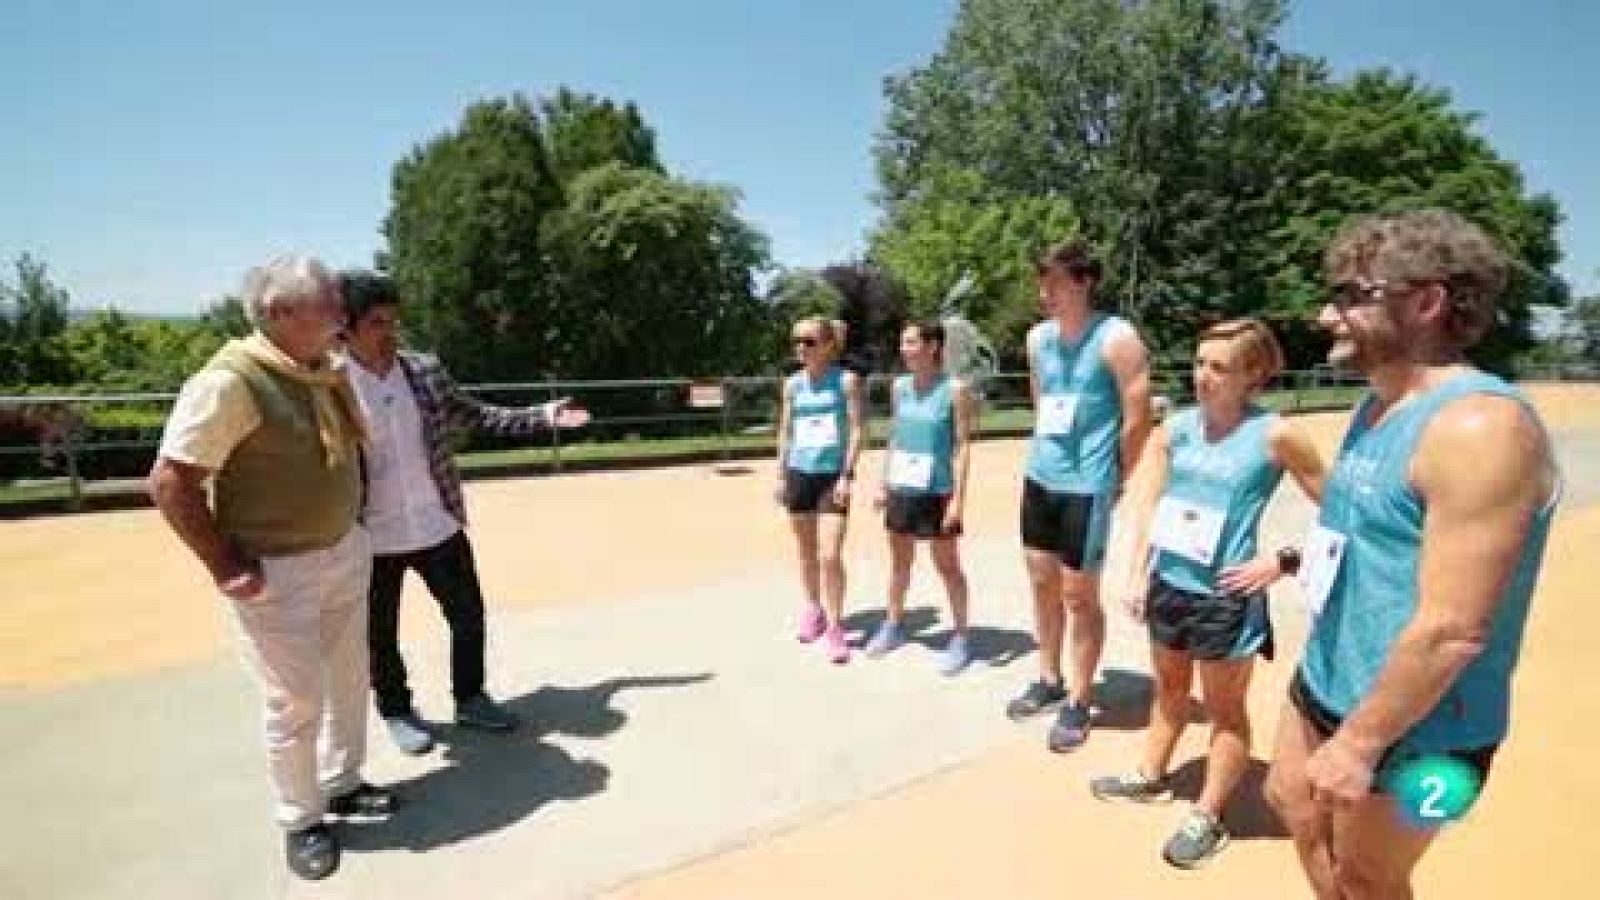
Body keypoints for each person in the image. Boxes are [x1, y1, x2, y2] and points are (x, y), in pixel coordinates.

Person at [1264, 209, 1559, 899]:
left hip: (1431, 733)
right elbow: (1363, 532)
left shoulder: (1480, 426)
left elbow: (1453, 630)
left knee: (1370, 876)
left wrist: (1360, 743)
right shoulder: (1377, 407)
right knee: (1292, 804)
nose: (1327, 315)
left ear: (1427, 302)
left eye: (1350, 295)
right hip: (1328, 682)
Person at [147, 256, 392, 881]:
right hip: (277, 571)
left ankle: (344, 783)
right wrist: (224, 565)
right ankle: (302, 819)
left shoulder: (323, 370)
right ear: (280, 314)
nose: (342, 311)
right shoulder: (231, 383)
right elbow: (171, 482)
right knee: (296, 700)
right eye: (328, 303)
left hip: (342, 552)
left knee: (349, 680)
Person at [1088, 318, 1326, 868]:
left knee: (1224, 710)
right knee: (1169, 690)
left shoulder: (1275, 436)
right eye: (1199, 363)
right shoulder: (1175, 430)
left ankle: (1208, 814)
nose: (1202, 376)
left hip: (1225, 597)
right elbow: (1148, 503)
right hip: (1170, 586)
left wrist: (1283, 561)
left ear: (1253, 375)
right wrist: (1138, 573)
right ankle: (1150, 775)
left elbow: (1344, 514)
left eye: (1218, 367)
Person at [337, 271, 590, 755]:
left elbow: (476, 414)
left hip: (437, 522)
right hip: (371, 536)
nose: (390, 332)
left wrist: (542, 415)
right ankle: (396, 709)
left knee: (468, 616)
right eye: (376, 323)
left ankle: (471, 698)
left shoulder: (423, 371)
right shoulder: (328, 384)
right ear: (345, 328)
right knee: (378, 633)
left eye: (394, 321)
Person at [1007, 239, 1154, 752]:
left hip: (1088, 484)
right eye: (1041, 283)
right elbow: (1041, 398)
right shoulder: (1037, 339)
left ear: (1085, 282)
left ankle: (1080, 696)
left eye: (1055, 283)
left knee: (1079, 596)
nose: (1044, 293)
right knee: (1041, 581)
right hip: (1041, 477)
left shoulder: (1117, 338)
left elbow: (1138, 414)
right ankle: (1048, 677)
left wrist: (1119, 475)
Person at [864, 320, 978, 675]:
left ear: (933, 346)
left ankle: (961, 637)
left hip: (938, 491)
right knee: (899, 562)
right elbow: (895, 437)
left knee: (947, 566)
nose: (904, 349)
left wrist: (957, 500)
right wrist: (884, 483)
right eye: (903, 342)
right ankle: (893, 624)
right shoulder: (900, 387)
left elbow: (962, 446)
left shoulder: (955, 390)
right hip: (902, 486)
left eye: (911, 342)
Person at [774, 317, 865, 664]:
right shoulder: (792, 385)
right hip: (799, 473)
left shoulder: (846, 381)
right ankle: (813, 608)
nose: (801, 348)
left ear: (828, 345)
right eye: (796, 341)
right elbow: (785, 432)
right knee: (806, 552)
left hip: (832, 477)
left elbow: (857, 430)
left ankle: (836, 626)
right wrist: (780, 475)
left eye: (809, 341)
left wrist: (847, 475)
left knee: (829, 554)